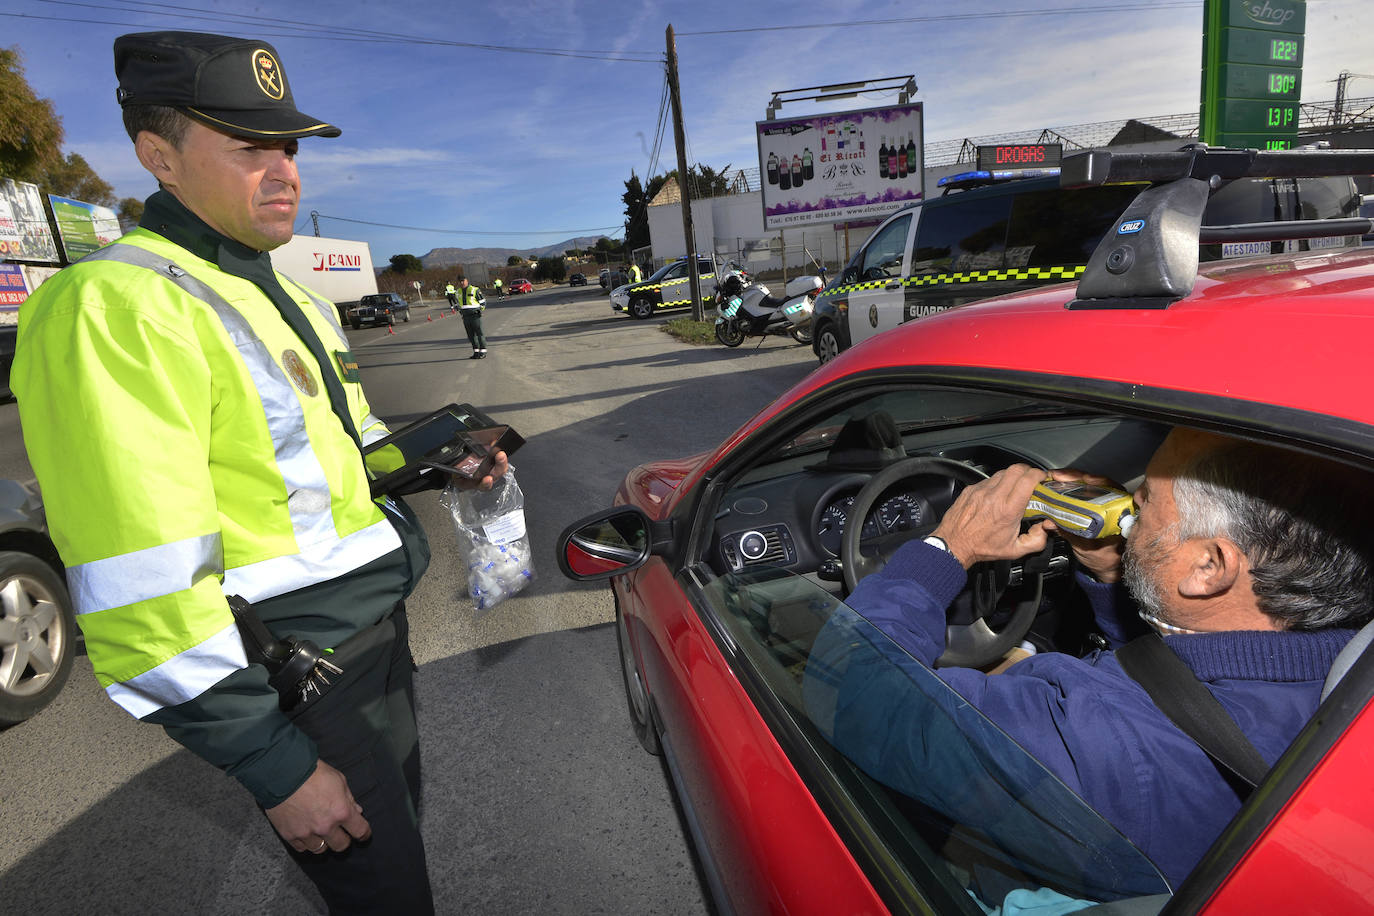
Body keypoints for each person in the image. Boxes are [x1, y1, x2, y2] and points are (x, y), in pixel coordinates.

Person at [12, 31, 506, 914]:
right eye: (250, 147)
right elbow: (141, 590)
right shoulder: (113, 306)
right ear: (157, 156)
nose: (286, 172)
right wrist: (274, 767)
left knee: (400, 867)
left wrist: (438, 462)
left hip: (377, 643)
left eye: (288, 146)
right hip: (300, 678)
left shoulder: (290, 297)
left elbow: (340, 460)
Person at [818, 428, 1372, 887]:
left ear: (1209, 567)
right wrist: (1116, 576)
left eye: (1146, 502)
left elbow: (850, 693)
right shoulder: (1347, 678)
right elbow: (1190, 687)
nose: (1128, 511)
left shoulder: (1096, 735)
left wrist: (947, 549)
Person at [455, 275, 487, 359]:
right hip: (465, 317)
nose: (461, 283)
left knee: (479, 334)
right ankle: (476, 352)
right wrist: (460, 311)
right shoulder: (457, 292)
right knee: (471, 335)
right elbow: (458, 304)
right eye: (460, 281)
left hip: (475, 315)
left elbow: (483, 302)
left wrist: (480, 311)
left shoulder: (474, 289)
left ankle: (483, 351)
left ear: (467, 280)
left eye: (463, 280)